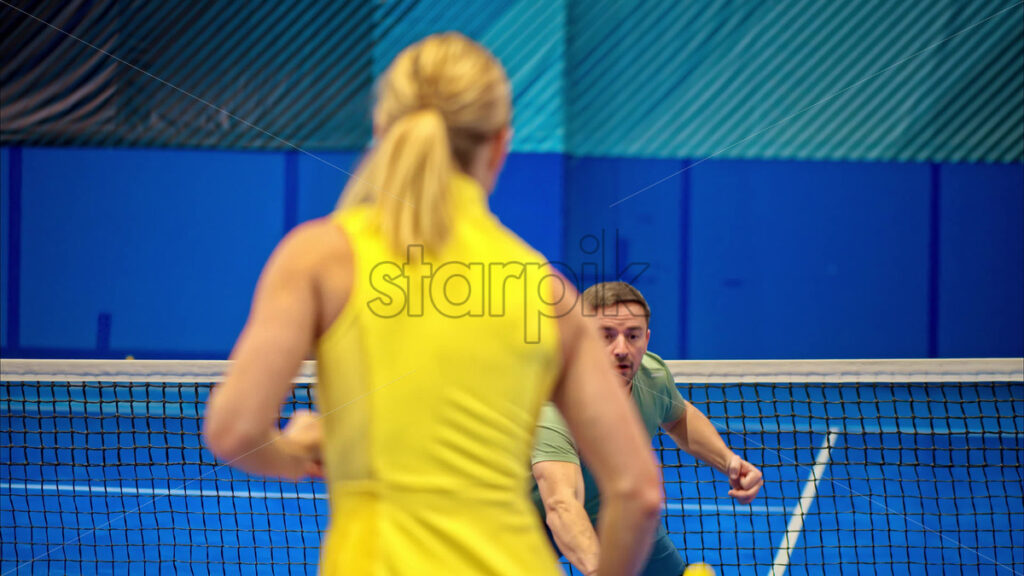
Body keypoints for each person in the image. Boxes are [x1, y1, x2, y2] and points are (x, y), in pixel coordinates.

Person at [202, 33, 662, 576]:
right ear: (499, 146)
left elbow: (234, 432)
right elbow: (637, 493)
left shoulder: (319, 257)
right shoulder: (548, 290)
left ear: (381, 130)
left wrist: (301, 454)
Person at [531, 281, 764, 576]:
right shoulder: (555, 407)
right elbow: (562, 503)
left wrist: (728, 460)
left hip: (610, 508)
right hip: (528, 522)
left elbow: (678, 416)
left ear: (647, 337)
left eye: (633, 335)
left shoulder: (652, 374)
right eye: (606, 335)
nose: (621, 349)